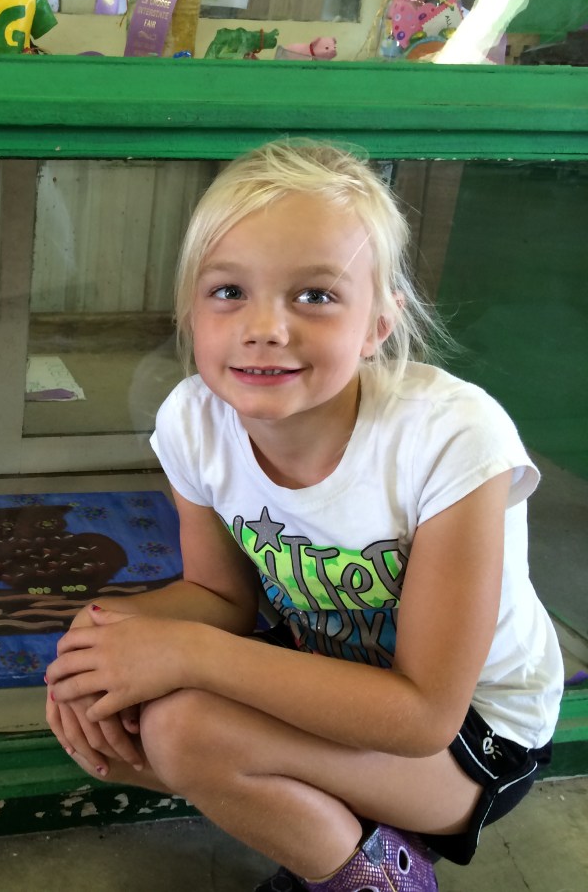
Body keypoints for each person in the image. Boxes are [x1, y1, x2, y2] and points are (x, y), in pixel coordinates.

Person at [44, 139, 564, 892]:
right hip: (330, 680)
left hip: (472, 738)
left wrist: (187, 653)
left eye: (315, 296)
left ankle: (383, 877)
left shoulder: (452, 437)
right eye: (229, 290)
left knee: (184, 728)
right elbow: (220, 597)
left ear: (379, 324)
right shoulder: (193, 422)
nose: (265, 327)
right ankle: (356, 842)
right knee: (126, 705)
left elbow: (424, 714)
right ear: (190, 311)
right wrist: (92, 643)